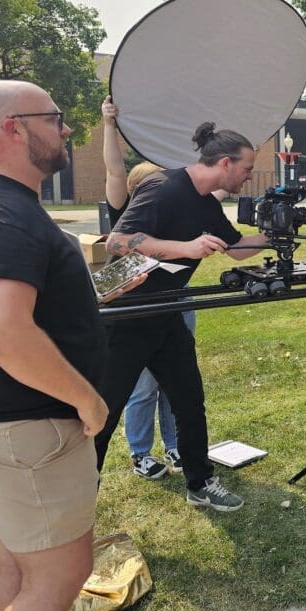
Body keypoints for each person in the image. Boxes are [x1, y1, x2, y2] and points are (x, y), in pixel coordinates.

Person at [0, 80, 142, 611]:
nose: (66, 128)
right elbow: (4, 333)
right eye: (54, 117)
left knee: (14, 570)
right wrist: (88, 400)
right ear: (15, 127)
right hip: (18, 432)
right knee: (60, 575)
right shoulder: (1, 214)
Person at [95, 121, 264, 511]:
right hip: (126, 314)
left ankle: (200, 481)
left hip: (167, 313)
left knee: (189, 401)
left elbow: (236, 248)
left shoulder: (207, 205)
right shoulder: (164, 187)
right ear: (225, 162)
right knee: (104, 411)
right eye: (247, 168)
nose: (249, 176)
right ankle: (77, 497)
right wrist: (185, 248)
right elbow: (118, 241)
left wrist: (278, 232)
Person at [102, 96, 184, 480]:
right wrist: (109, 126)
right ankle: (140, 452)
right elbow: (114, 169)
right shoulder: (127, 207)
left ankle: (176, 445)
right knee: (143, 386)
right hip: (138, 305)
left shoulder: (176, 205)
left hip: (175, 301)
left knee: (175, 383)